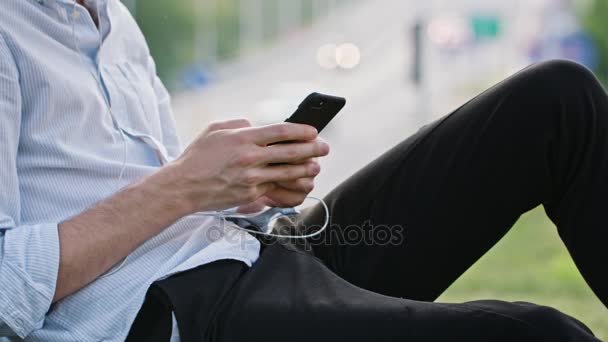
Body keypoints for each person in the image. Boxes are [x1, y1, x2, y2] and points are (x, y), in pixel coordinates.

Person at [0, 0, 605, 341]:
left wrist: (250, 189)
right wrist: (183, 184)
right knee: (542, 338)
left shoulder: (116, 22)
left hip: (258, 252)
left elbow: (158, 198)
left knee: (556, 99)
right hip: (178, 312)